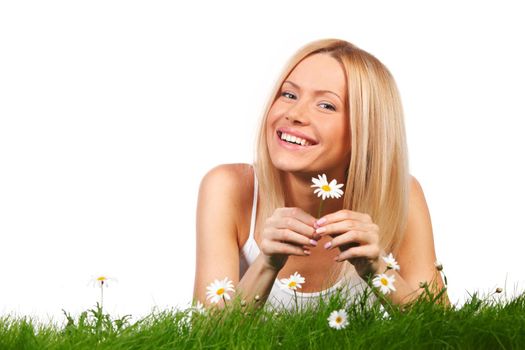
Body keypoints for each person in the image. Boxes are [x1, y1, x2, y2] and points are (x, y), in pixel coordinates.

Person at [193, 39, 446, 309]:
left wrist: (378, 270)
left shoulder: (399, 195)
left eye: (326, 105)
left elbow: (445, 333)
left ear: (364, 130)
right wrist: (266, 264)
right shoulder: (228, 188)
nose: (294, 113)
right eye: (289, 95)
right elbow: (205, 337)